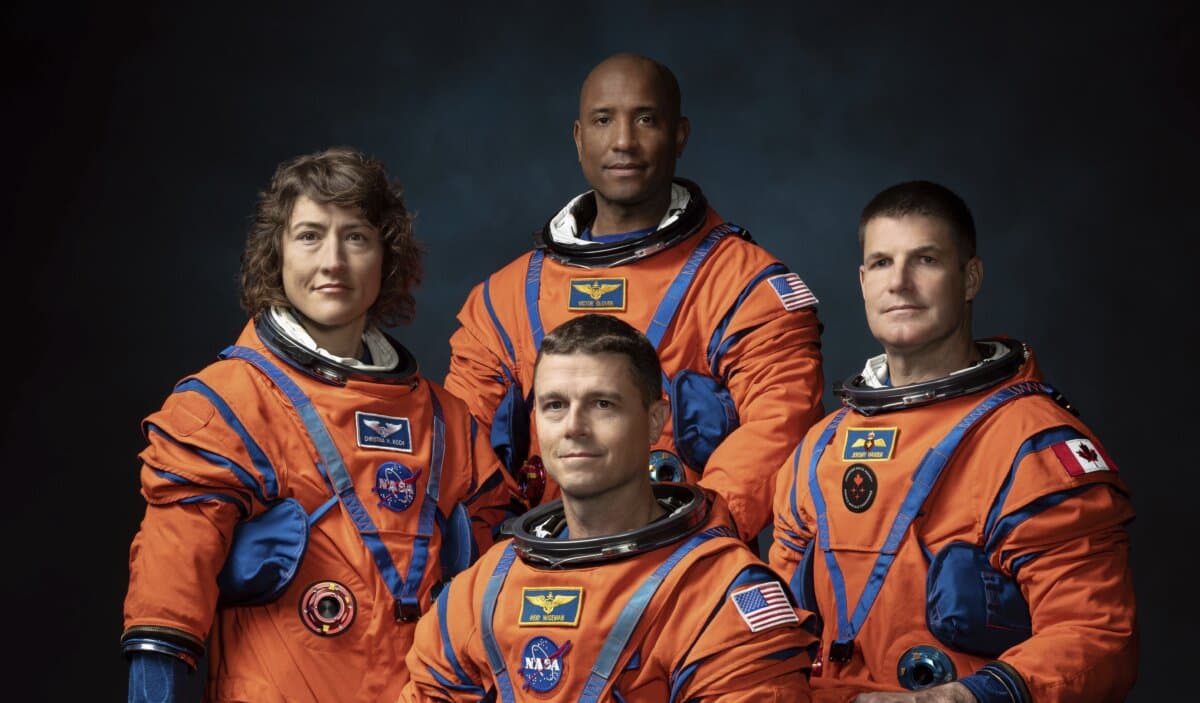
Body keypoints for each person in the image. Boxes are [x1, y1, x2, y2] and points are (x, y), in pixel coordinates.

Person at [121, 147, 516, 702]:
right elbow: (166, 595)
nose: (332, 260)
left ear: (387, 258)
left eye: (355, 236)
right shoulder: (226, 406)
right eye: (309, 235)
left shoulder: (447, 424)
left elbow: (497, 612)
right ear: (276, 254)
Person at [769, 181, 1137, 702]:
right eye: (880, 263)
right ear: (862, 281)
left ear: (969, 278)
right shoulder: (819, 450)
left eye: (925, 259)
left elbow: (1097, 635)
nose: (899, 283)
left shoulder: (1030, 444)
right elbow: (769, 636)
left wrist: (960, 697)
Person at [444, 52, 824, 544]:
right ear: (580, 137)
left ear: (679, 135)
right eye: (604, 120)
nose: (623, 141)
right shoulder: (505, 299)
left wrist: (690, 543)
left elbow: (780, 425)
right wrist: (498, 565)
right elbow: (462, 449)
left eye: (645, 119)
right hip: (537, 571)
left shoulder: (743, 284)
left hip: (681, 570)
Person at [402, 314, 817, 702]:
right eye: (555, 405)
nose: (574, 427)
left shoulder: (718, 592)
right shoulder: (483, 589)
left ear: (655, 420)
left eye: (603, 404)